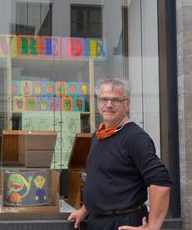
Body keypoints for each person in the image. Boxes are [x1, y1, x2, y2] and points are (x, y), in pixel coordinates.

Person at [68, 77, 172, 230]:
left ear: (127, 104)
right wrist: (85, 210)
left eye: (115, 100)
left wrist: (152, 227)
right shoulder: (99, 135)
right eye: (104, 99)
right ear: (98, 103)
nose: (108, 105)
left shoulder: (135, 138)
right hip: (96, 221)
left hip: (123, 222)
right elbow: (102, 178)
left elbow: (161, 182)